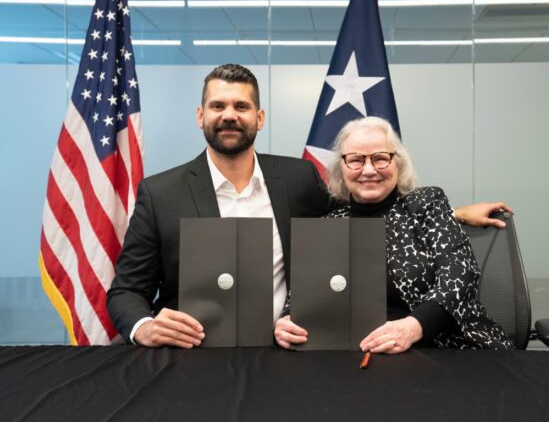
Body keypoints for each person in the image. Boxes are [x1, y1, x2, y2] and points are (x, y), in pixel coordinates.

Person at [108, 64, 512, 348]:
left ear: (260, 117)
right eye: (218, 106)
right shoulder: (160, 194)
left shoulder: (298, 180)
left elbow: (371, 209)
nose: (229, 116)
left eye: (242, 107)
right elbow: (126, 289)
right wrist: (143, 326)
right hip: (197, 351)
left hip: (293, 349)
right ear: (200, 115)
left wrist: (452, 215)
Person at [274, 116, 513, 351]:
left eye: (380, 158)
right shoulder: (328, 225)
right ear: (342, 169)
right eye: (356, 160)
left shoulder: (427, 204)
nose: (368, 170)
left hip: (442, 348)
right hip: (353, 354)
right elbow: (303, 296)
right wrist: (288, 318)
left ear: (398, 163)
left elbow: (461, 273)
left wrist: (413, 326)